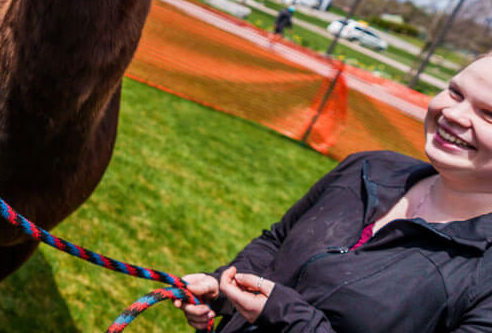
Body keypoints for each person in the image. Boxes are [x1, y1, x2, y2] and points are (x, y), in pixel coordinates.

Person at [175, 55, 492, 332]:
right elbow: (276, 244)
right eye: (455, 92)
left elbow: (286, 314)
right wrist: (221, 288)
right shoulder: (368, 167)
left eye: (488, 113)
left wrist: (290, 320)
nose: (453, 114)